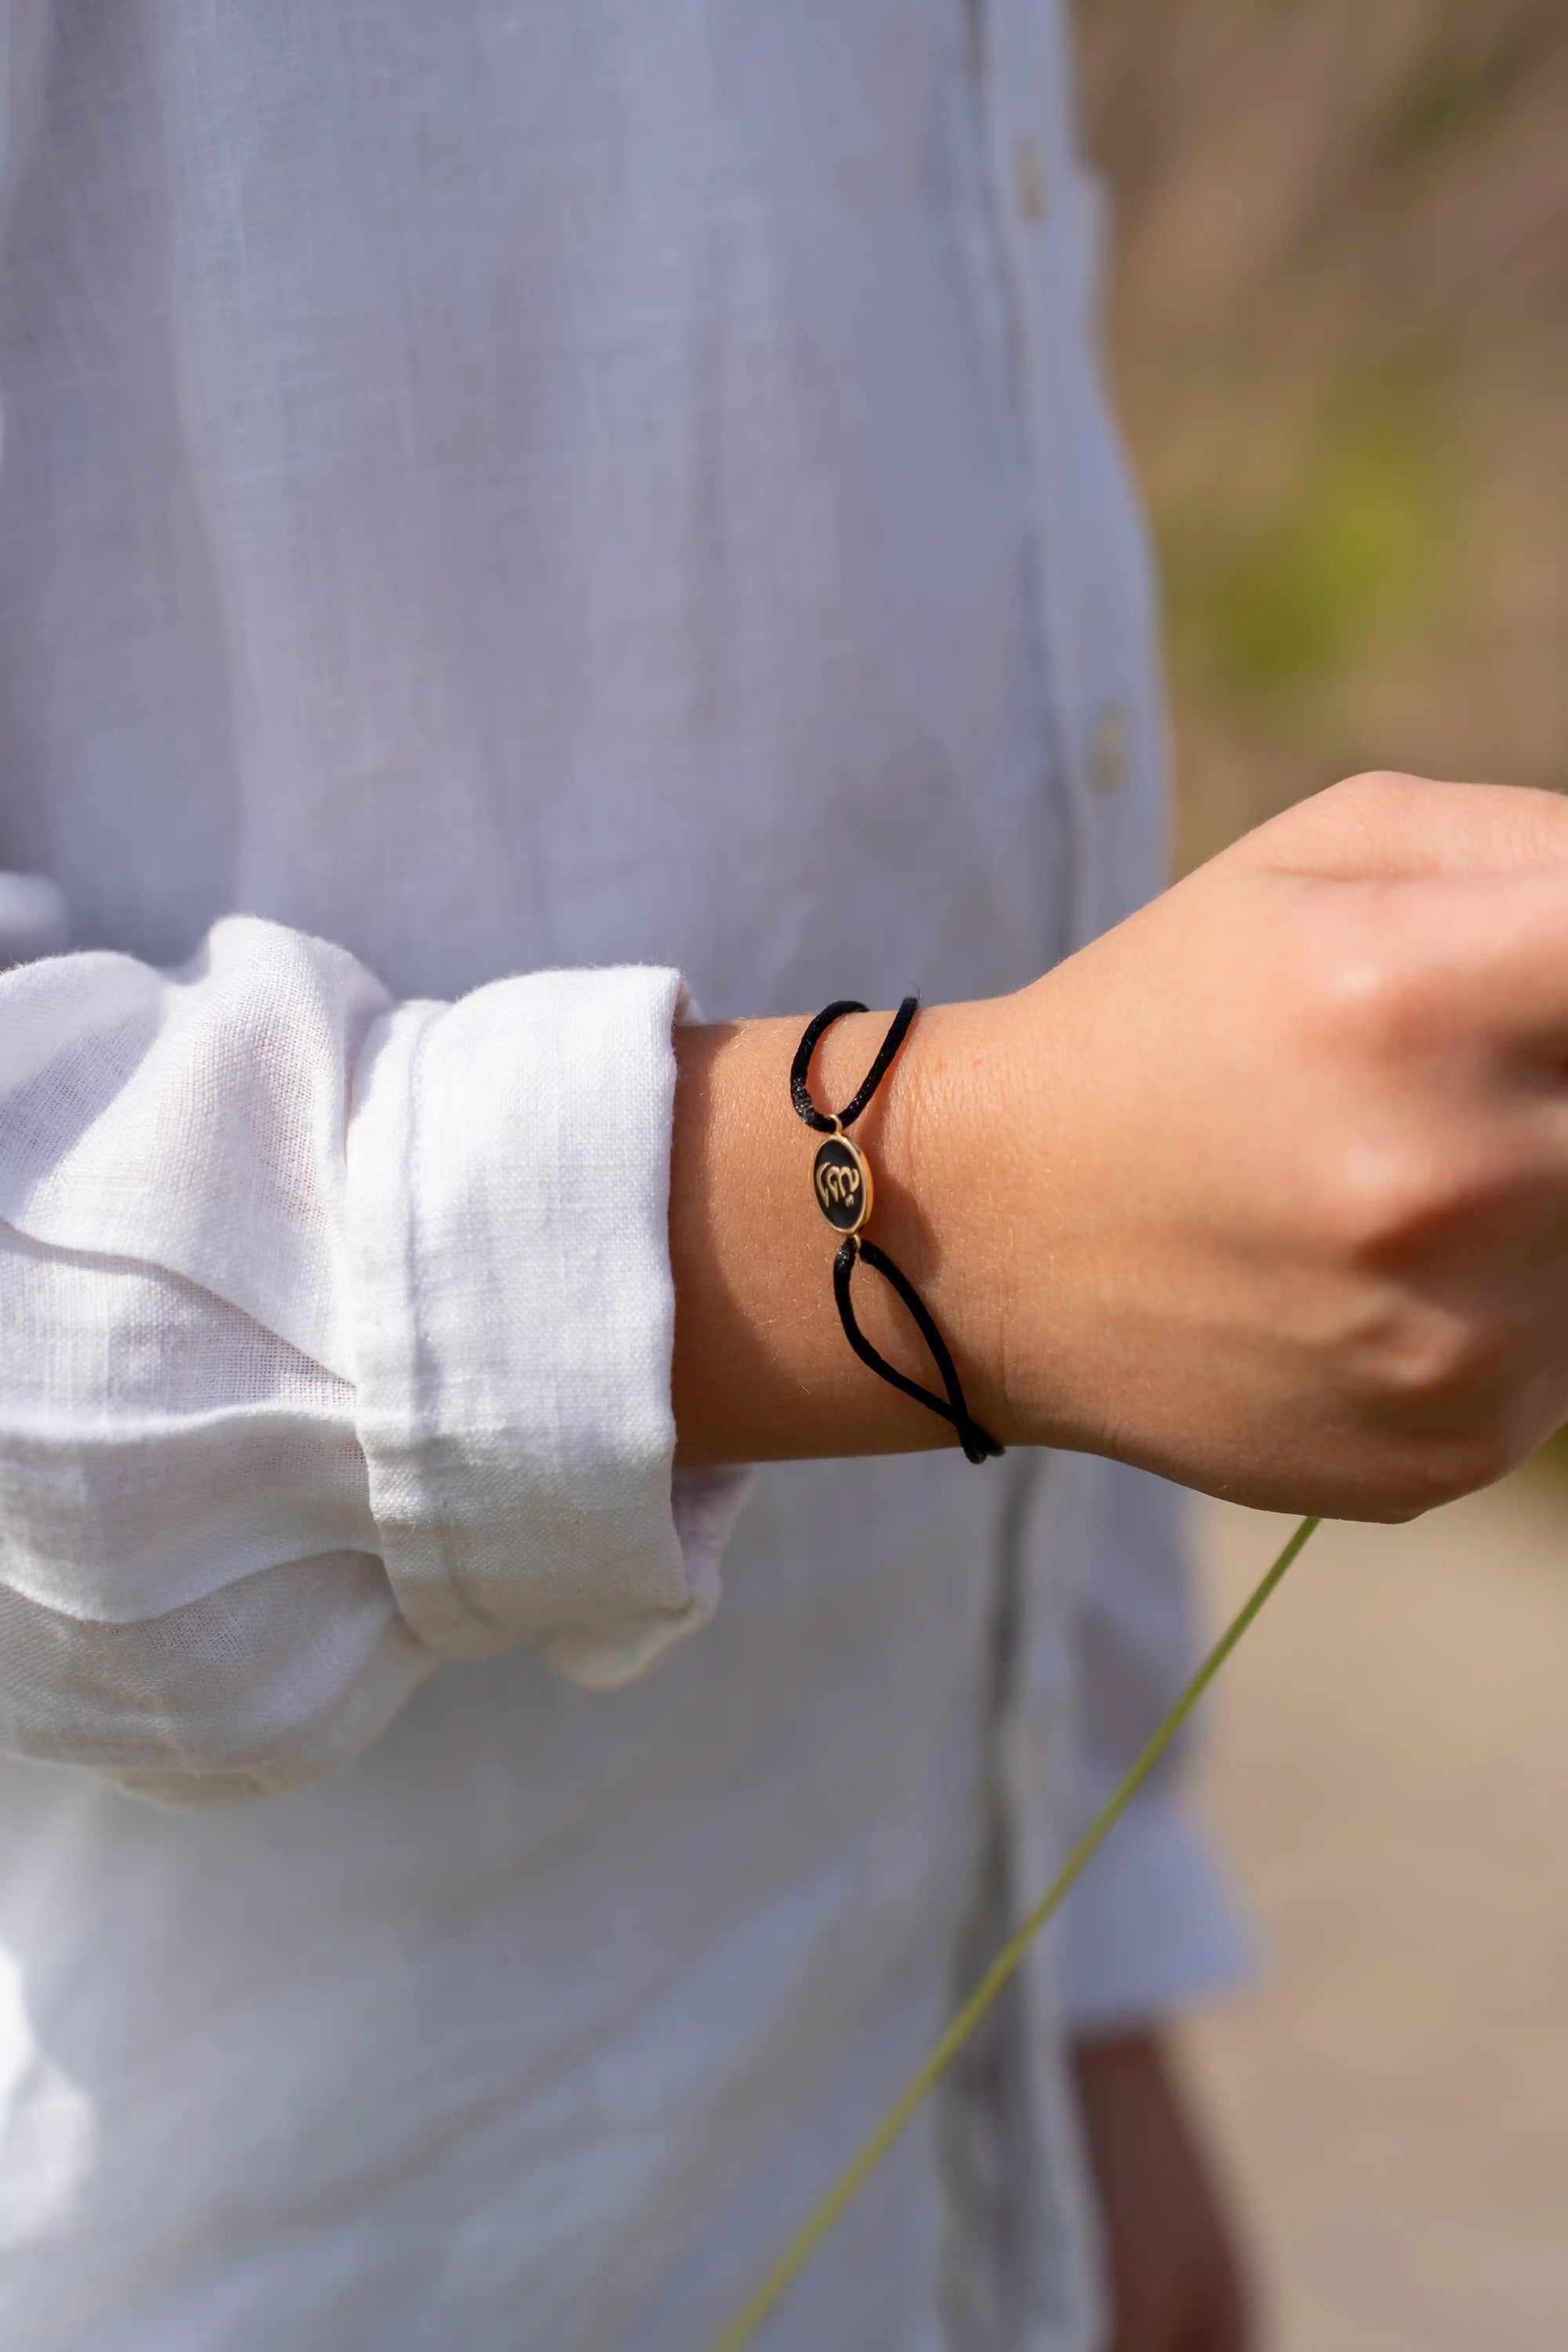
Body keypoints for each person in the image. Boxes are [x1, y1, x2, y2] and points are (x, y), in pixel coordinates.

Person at [2, 7, 1564, 2349]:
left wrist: (1088, 1987)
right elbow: (1044, 1152)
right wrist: (952, 1212)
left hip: (910, 2148)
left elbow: (992, 804)